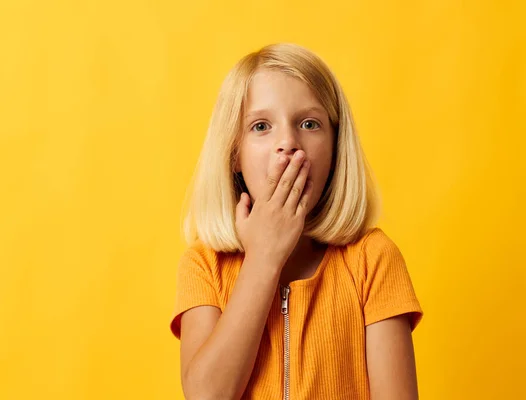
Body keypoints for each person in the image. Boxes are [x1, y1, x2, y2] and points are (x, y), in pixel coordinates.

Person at [169, 42, 424, 400]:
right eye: (261, 126)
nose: (287, 143)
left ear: (335, 150)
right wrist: (263, 258)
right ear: (233, 155)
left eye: (309, 123)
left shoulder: (373, 259)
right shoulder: (203, 267)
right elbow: (207, 395)